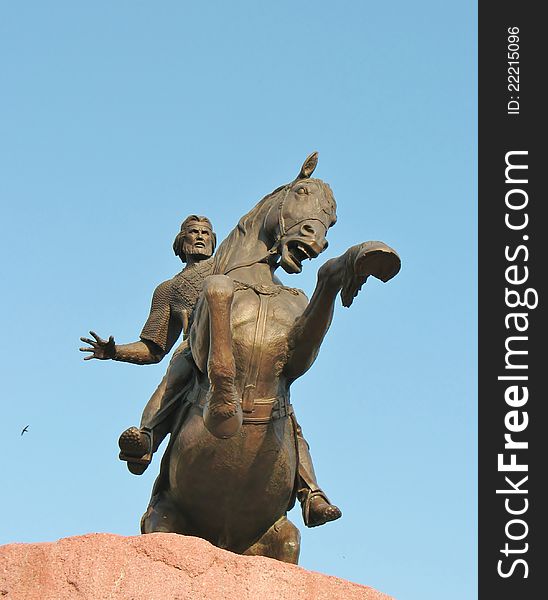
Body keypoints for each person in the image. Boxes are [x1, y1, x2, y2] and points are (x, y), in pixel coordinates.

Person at [80, 215, 341, 527]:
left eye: (206, 233)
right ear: (181, 243)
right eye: (193, 233)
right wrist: (115, 351)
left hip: (245, 351)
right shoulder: (170, 289)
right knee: (175, 374)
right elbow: (153, 347)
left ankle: (309, 492)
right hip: (197, 349)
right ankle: (147, 439)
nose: (200, 238)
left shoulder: (231, 268)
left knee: (285, 409)